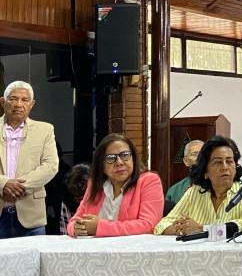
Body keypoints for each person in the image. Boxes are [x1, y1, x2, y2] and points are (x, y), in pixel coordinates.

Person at [67, 134, 164, 237]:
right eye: (110, 158)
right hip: (96, 250)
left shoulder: (149, 181)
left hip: (132, 249)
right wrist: (76, 228)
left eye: (125, 155)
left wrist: (100, 227)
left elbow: (149, 225)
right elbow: (73, 222)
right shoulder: (95, 185)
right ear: (101, 164)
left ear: (133, 158)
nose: (119, 162)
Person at [155, 136, 242, 234]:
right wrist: (181, 229)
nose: (225, 167)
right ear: (205, 171)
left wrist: (202, 228)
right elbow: (162, 224)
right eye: (217, 162)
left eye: (229, 161)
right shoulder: (194, 192)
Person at [0, 81, 58, 238]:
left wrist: (17, 188)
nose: (19, 104)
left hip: (31, 216)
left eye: (24, 100)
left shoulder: (45, 130)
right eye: (13, 99)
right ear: (3, 102)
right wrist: (3, 183)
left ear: (31, 104)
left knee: (33, 262)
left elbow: (50, 166)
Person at [60, 163, 90, 234]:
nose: (79, 203)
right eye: (76, 199)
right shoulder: (67, 199)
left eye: (81, 199)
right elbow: (65, 231)